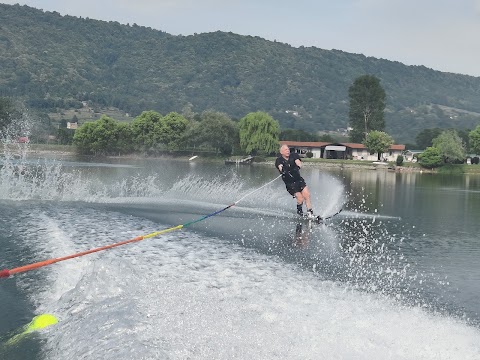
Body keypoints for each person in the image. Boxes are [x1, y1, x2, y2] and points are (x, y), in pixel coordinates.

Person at [275, 144, 314, 218]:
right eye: (286, 150)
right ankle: (300, 213)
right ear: (281, 152)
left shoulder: (294, 155)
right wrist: (283, 170)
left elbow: (298, 162)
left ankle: (310, 213)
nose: (288, 151)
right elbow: (280, 167)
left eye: (288, 149)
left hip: (299, 180)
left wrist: (298, 167)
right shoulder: (279, 160)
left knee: (307, 195)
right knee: (300, 198)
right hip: (290, 184)